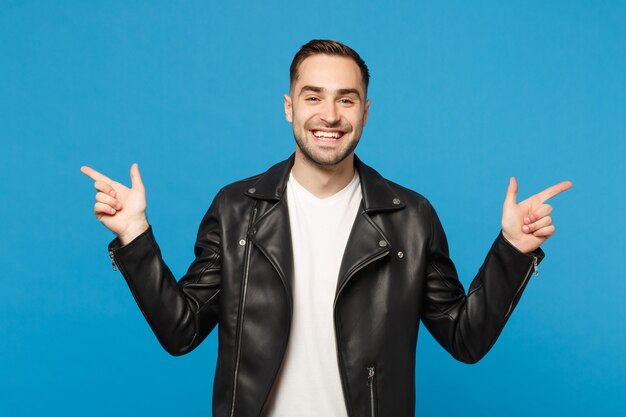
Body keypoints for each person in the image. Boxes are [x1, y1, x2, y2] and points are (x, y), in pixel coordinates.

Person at [81, 40, 571, 417]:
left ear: (366, 111)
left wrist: (513, 249)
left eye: (347, 100)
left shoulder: (411, 218)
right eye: (313, 97)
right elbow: (181, 331)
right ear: (289, 106)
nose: (330, 116)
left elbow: (464, 339)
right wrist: (135, 237)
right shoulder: (235, 210)